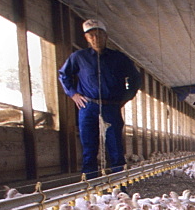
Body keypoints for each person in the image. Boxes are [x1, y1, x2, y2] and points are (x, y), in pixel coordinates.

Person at [58, 19, 142, 178]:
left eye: (99, 35)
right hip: (88, 106)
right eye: (91, 36)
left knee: (115, 146)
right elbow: (64, 74)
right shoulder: (78, 57)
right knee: (89, 146)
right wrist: (73, 94)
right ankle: (90, 186)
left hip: (111, 106)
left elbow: (135, 79)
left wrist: (125, 97)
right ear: (86, 38)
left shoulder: (119, 58)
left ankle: (119, 185)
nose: (96, 38)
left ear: (106, 36)